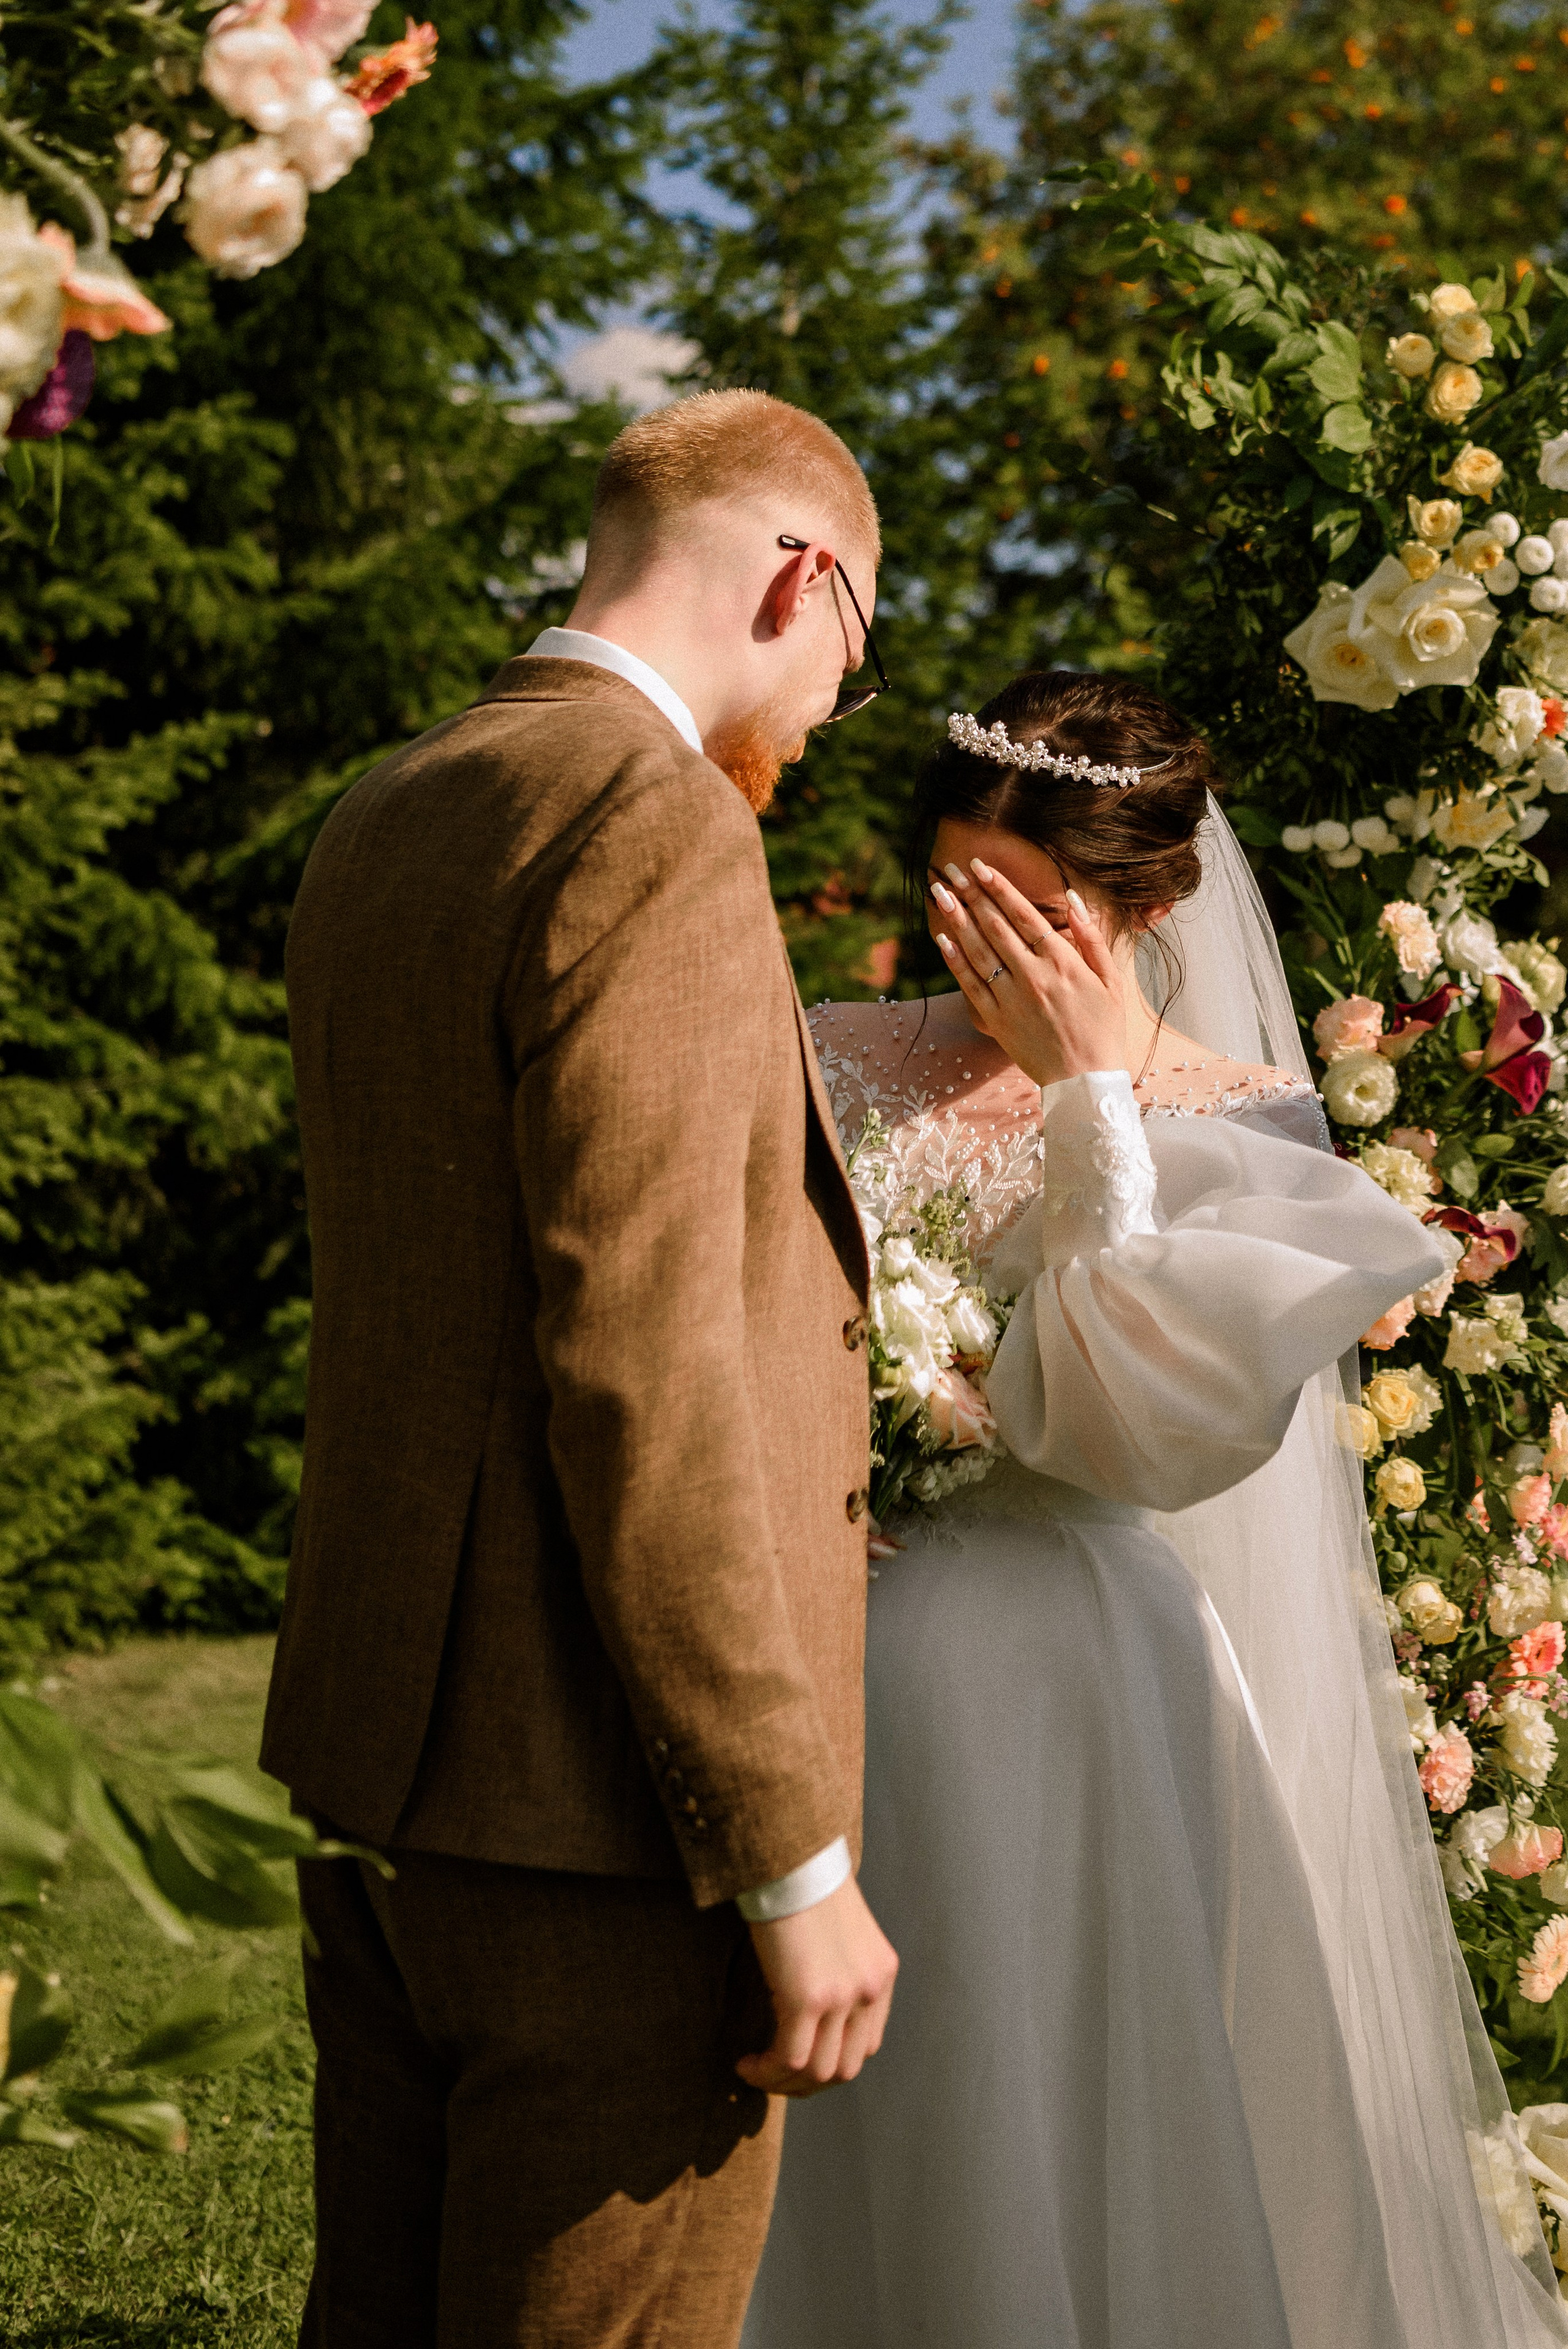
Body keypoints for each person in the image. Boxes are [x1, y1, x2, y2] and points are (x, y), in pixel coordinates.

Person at [744, 668, 1568, 2349]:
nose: (984, 944)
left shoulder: (1242, 1116)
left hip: (1075, 1685)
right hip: (824, 1660)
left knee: (1042, 2069)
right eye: (957, 889)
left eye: (1037, 910)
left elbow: (1132, 1423)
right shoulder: (825, 1054)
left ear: (1154, 900)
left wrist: (1082, 1095)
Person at [261, 387, 899, 2349]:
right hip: (609, 1825)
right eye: (850, 668)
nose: (817, 729)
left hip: (395, 1775)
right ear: (800, 578)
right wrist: (784, 1847)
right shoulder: (653, 821)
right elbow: (647, 1363)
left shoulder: (397, 806)